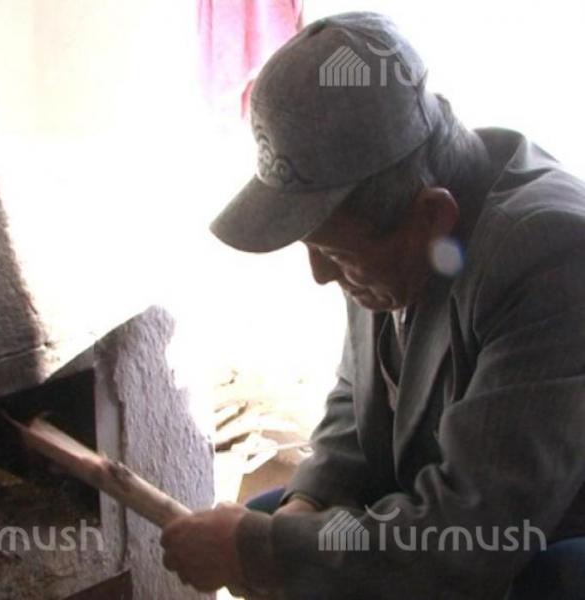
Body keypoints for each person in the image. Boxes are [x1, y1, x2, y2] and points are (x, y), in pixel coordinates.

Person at [159, 12, 585, 600]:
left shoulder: (552, 255)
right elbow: (358, 399)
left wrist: (264, 552)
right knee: (271, 519)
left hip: (531, 535)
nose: (320, 275)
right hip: (459, 504)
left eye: (334, 254)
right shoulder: (397, 223)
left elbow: (476, 536)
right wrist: (307, 502)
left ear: (432, 216)